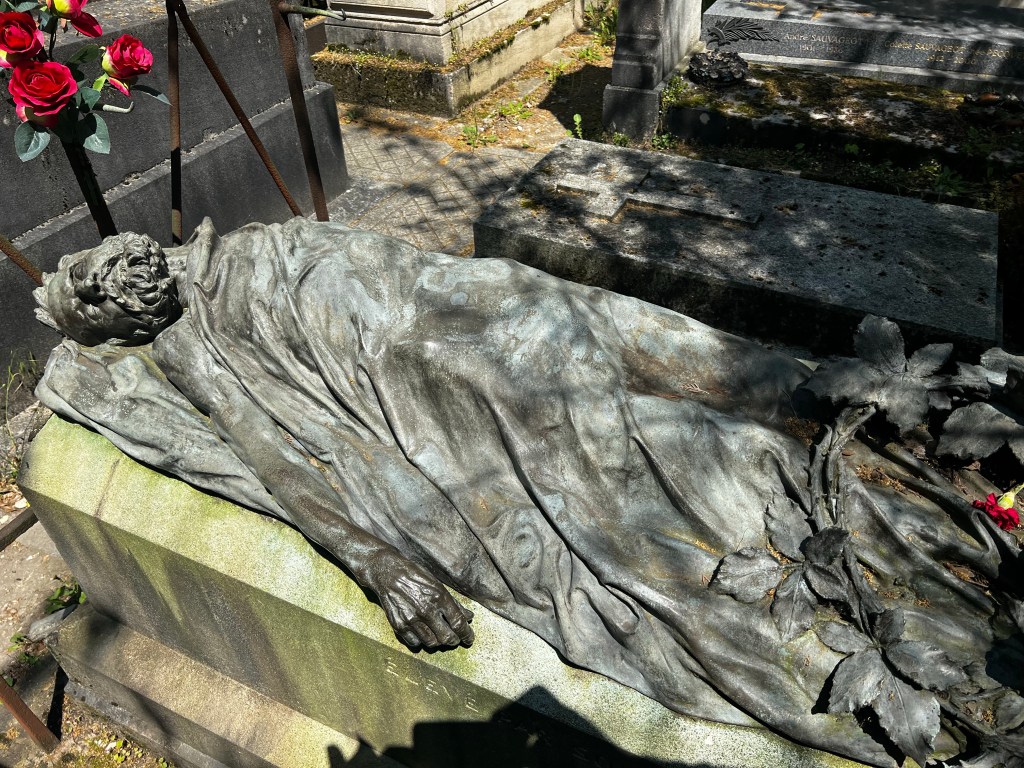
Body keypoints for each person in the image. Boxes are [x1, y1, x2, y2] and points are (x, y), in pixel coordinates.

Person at [33, 218, 1019, 767]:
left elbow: (398, 288)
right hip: (440, 355)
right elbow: (279, 456)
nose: (112, 276)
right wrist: (381, 563)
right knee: (629, 432)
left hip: (458, 313)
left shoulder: (235, 265)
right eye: (96, 295)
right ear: (119, 318)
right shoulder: (202, 324)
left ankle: (871, 457)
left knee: (645, 365)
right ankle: (855, 524)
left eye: (98, 272)